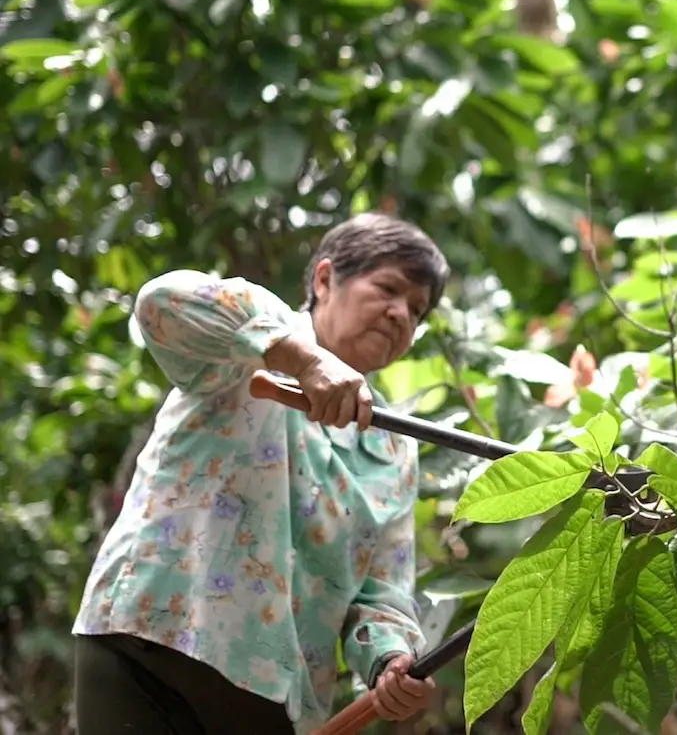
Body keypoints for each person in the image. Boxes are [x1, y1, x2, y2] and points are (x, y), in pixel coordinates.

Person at [71, 212, 450, 735]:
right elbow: (161, 301)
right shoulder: (246, 343)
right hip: (150, 644)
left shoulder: (393, 447)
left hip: (272, 694)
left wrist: (390, 661)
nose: (400, 314)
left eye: (417, 309)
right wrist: (303, 361)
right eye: (388, 288)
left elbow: (381, 592)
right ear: (324, 280)